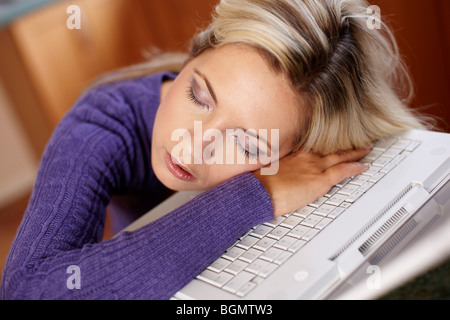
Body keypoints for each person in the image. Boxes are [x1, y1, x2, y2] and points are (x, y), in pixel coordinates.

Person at [1, 0, 427, 300]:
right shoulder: (100, 123)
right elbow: (26, 292)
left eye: (244, 143)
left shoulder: (308, 145)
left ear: (295, 153)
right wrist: (255, 196)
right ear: (192, 56)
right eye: (199, 96)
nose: (194, 145)